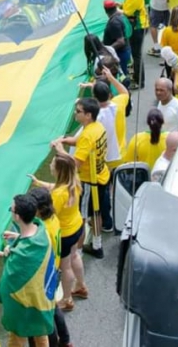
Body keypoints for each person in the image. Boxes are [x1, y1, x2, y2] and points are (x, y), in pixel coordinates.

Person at [0, 193, 56, 347]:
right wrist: (17, 238)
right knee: (41, 334)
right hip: (41, 298)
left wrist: (8, 251)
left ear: (17, 217)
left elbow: (9, 279)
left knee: (17, 336)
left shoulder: (21, 253)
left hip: (23, 303)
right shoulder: (43, 233)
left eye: (12, 210)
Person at [51, 98, 109, 259]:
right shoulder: (96, 127)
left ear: (88, 115)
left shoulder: (88, 135)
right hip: (101, 176)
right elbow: (79, 142)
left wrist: (60, 149)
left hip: (90, 182)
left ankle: (77, 253)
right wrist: (64, 140)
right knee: (96, 213)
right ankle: (97, 244)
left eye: (78, 112)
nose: (75, 114)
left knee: (81, 217)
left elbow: (73, 164)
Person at [29, 153, 86, 312]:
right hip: (77, 226)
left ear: (59, 171)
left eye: (53, 165)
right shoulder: (74, 182)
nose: (50, 166)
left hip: (66, 235)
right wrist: (40, 183)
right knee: (75, 256)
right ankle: (81, 285)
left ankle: (66, 299)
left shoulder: (58, 195)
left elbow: (49, 212)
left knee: (65, 267)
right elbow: (57, 187)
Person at [120, 0, 147, 89]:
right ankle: (136, 76)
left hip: (137, 27)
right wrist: (120, 5)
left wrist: (115, 9)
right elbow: (126, 6)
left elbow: (127, 12)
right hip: (133, 27)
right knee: (135, 54)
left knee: (137, 55)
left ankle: (139, 81)